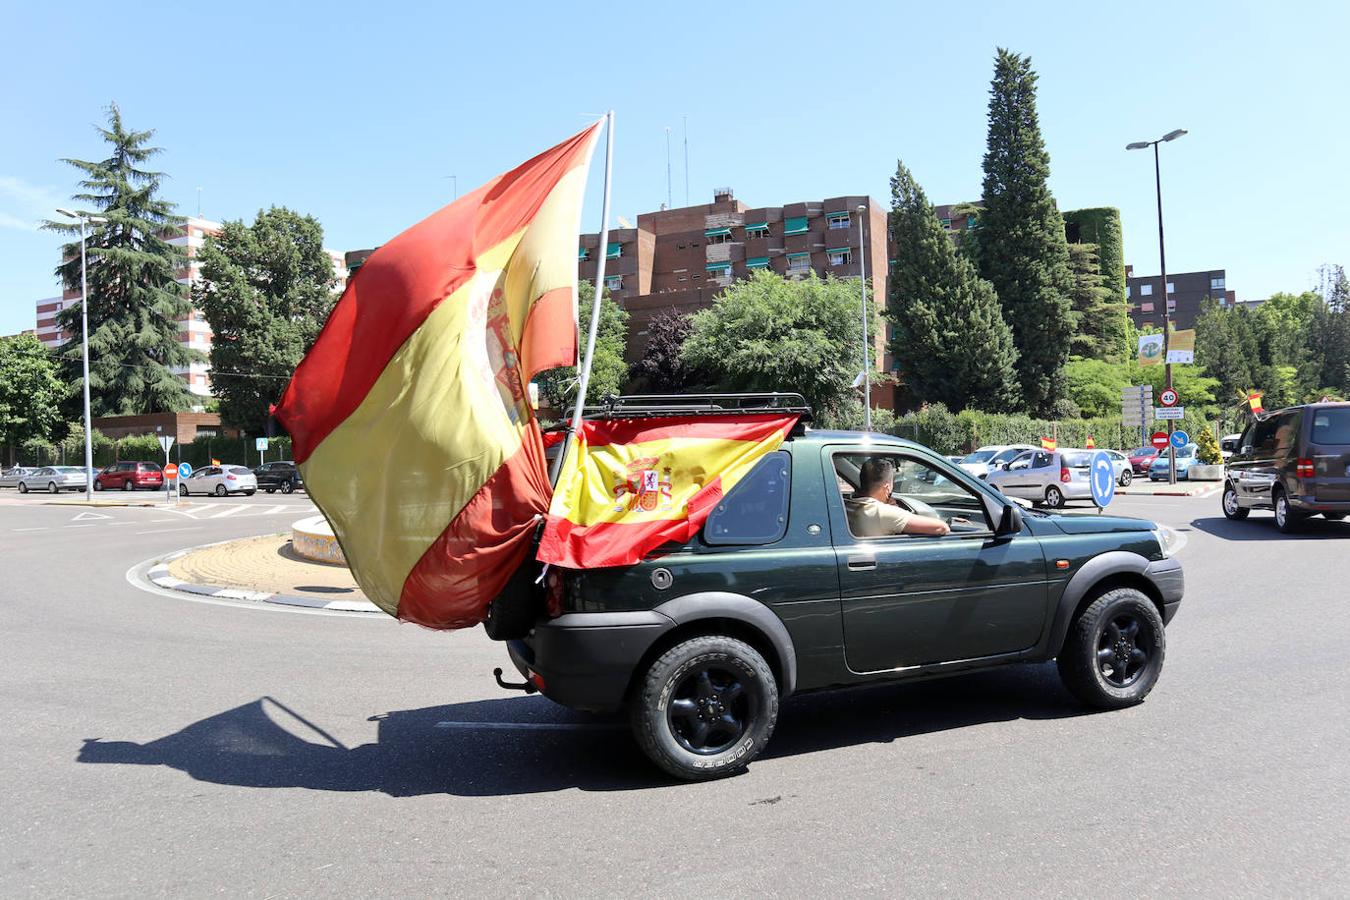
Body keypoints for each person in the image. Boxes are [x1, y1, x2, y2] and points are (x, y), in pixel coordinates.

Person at [844, 457, 951, 537]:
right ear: (887, 488)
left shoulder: (848, 504)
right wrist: (897, 511)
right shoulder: (883, 512)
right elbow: (941, 527)